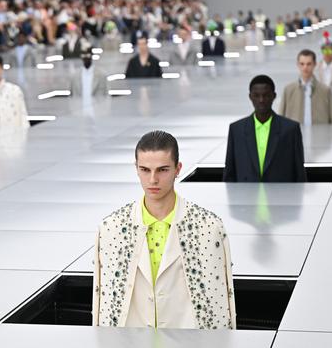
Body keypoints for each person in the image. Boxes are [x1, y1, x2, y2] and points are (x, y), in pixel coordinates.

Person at [93, 130, 236, 328]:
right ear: (136, 168)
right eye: (144, 170)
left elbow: (220, 307)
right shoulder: (112, 228)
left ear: (178, 169)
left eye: (162, 170)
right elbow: (104, 307)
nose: (152, 180)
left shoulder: (209, 228)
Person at [223, 75, 306, 182]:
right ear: (250, 96)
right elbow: (229, 173)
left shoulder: (290, 130)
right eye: (256, 95)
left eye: (266, 95)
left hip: (282, 197)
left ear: (274, 96)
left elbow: (299, 173)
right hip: (244, 197)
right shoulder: (236, 130)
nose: (261, 100)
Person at [279, 49, 332, 125]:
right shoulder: (288, 90)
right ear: (298, 65)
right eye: (302, 64)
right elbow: (280, 118)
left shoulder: (325, 91)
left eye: (309, 64)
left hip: (320, 135)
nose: (305, 67)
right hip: (295, 135)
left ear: (315, 64)